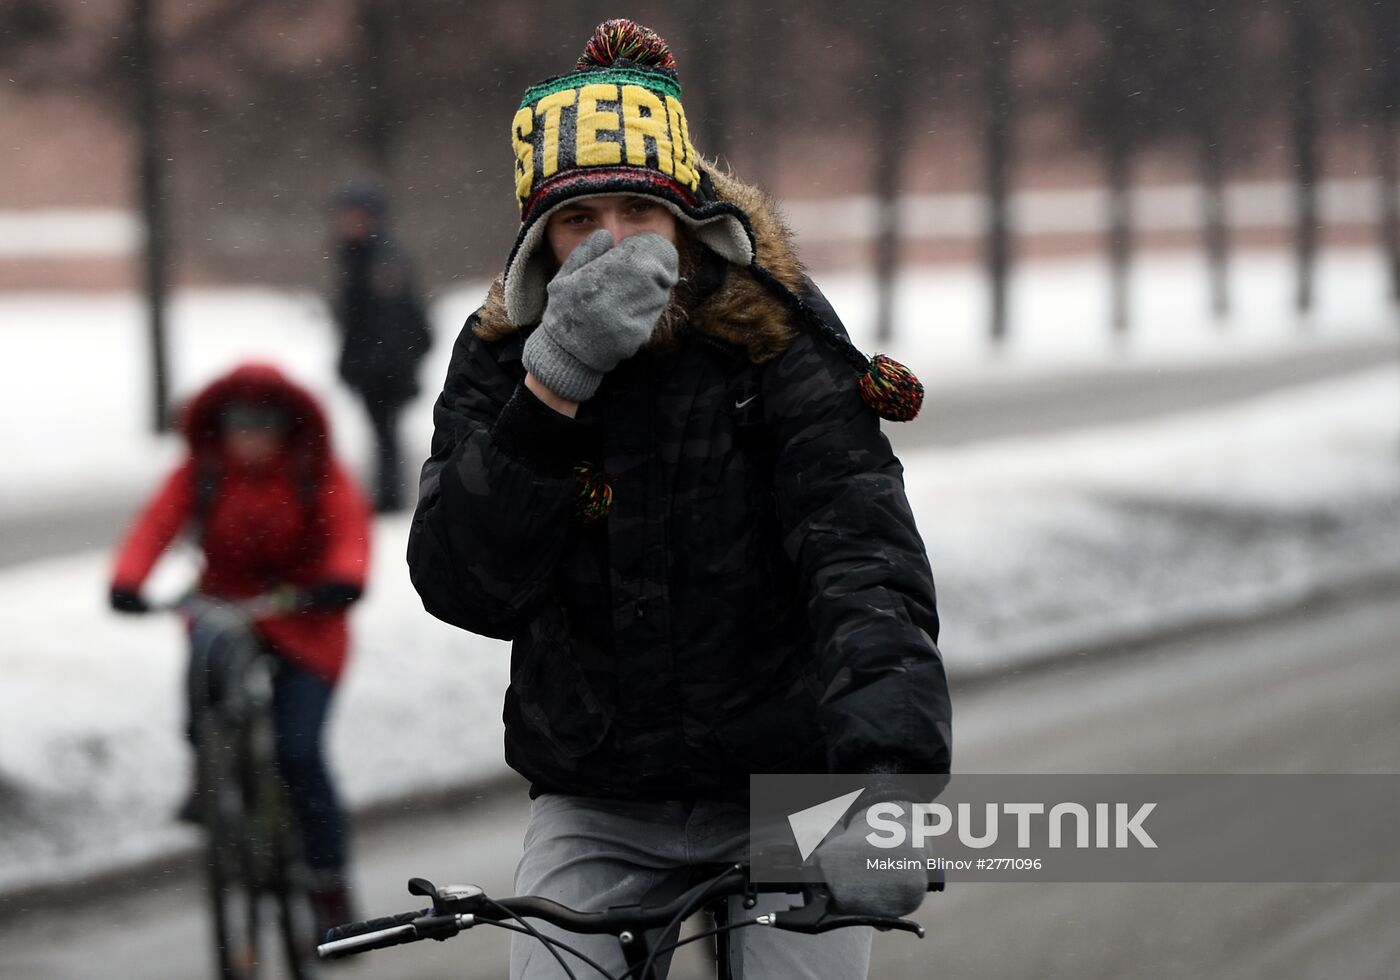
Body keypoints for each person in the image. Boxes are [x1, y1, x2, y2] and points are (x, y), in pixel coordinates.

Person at [407, 19, 951, 980]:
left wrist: (888, 781)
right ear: (540, 241)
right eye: (579, 220)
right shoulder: (501, 358)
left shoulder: (776, 345)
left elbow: (861, 559)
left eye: (636, 211)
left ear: (688, 224)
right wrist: (553, 388)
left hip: (792, 788)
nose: (611, 244)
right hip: (599, 798)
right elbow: (467, 586)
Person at [109, 361, 372, 932]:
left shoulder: (315, 471)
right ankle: (207, 767)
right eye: (238, 423)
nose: (250, 437)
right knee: (205, 657)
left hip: (308, 624)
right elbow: (154, 526)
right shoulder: (201, 472)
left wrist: (339, 581)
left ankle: (329, 885)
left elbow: (350, 531)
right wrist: (127, 582)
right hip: (227, 613)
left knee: (299, 754)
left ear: (288, 425)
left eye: (264, 423)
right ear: (219, 427)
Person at [330, 180, 433, 512]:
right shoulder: (359, 256)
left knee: (386, 435)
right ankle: (388, 495)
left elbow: (395, 319)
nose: (348, 222)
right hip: (373, 367)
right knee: (383, 435)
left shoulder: (382, 259)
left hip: (385, 370)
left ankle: (390, 499)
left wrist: (382, 365)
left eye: (355, 215)